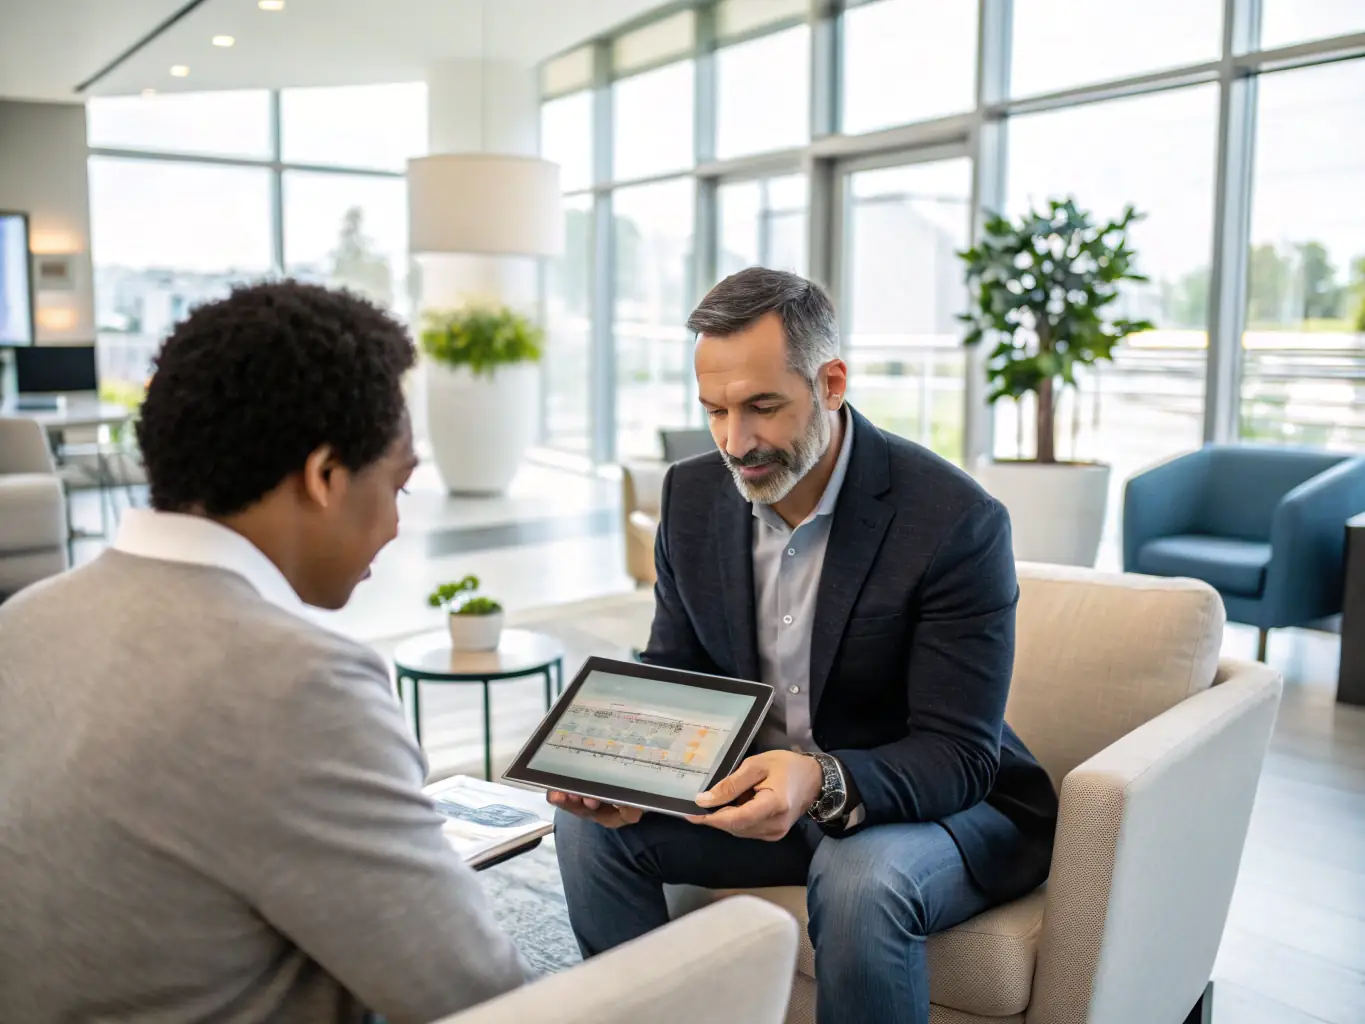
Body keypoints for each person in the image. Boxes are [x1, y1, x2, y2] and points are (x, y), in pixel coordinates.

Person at [0, 281, 526, 1022]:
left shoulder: (24, 621)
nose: (396, 525)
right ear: (324, 476)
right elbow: (476, 997)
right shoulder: (295, 681)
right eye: (398, 486)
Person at [552, 267, 1059, 1024]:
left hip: (933, 809)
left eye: (762, 407)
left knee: (860, 878)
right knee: (588, 831)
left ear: (830, 383)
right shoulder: (690, 496)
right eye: (714, 410)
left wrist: (817, 782)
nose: (735, 441)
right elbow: (677, 673)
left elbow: (960, 755)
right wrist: (630, 773)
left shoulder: (954, 521)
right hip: (762, 802)